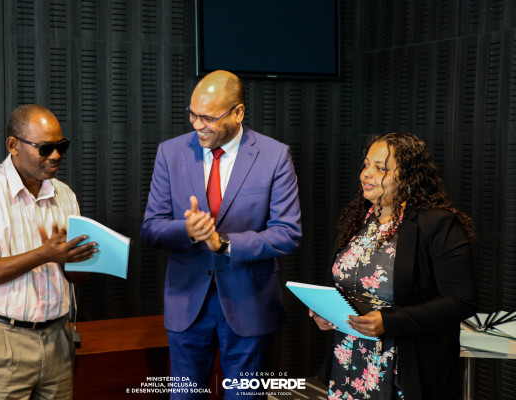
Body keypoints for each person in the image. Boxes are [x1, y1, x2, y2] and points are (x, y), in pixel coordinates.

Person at [141, 70, 302, 398]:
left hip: (250, 304)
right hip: (186, 303)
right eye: (192, 113)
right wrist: (187, 230)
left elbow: (288, 233)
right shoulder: (170, 153)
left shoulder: (274, 156)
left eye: (208, 117)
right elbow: (151, 227)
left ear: (238, 112)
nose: (197, 124)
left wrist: (224, 243)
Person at [310, 132, 477, 400]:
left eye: (381, 168)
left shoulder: (437, 224)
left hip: (406, 367)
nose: (367, 174)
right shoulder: (357, 219)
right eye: (366, 165)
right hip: (349, 360)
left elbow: (461, 300)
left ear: (409, 176)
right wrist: (325, 311)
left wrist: (389, 321)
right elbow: (344, 282)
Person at [0, 104, 97, 400]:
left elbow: (78, 279)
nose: (55, 155)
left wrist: (78, 261)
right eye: (45, 148)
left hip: (57, 337)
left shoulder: (64, 195)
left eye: (61, 146)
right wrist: (44, 254)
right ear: (13, 145)